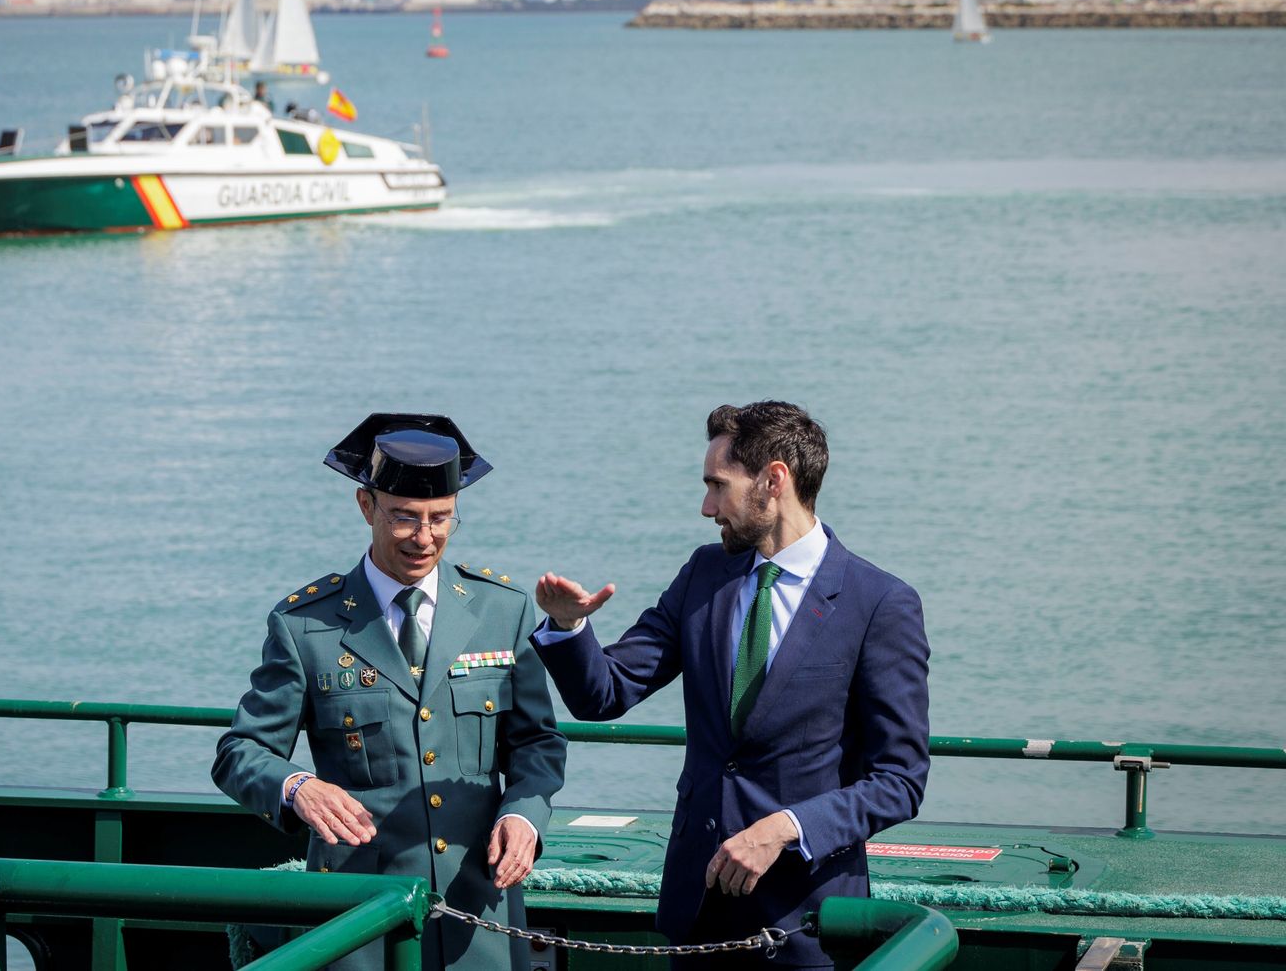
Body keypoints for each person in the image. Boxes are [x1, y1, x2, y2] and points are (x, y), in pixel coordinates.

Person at [532, 401, 930, 969]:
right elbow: (606, 692)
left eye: (718, 486)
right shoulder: (703, 573)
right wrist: (570, 627)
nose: (706, 507)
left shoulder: (880, 604)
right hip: (698, 916)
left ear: (774, 480)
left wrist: (784, 829)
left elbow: (899, 781)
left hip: (808, 923)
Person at [213, 413, 567, 971]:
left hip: (479, 917)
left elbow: (537, 745)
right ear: (365, 507)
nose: (424, 538)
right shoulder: (306, 624)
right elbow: (240, 753)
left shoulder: (503, 610)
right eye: (404, 518)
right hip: (356, 922)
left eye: (441, 519)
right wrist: (298, 787)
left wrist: (524, 817)